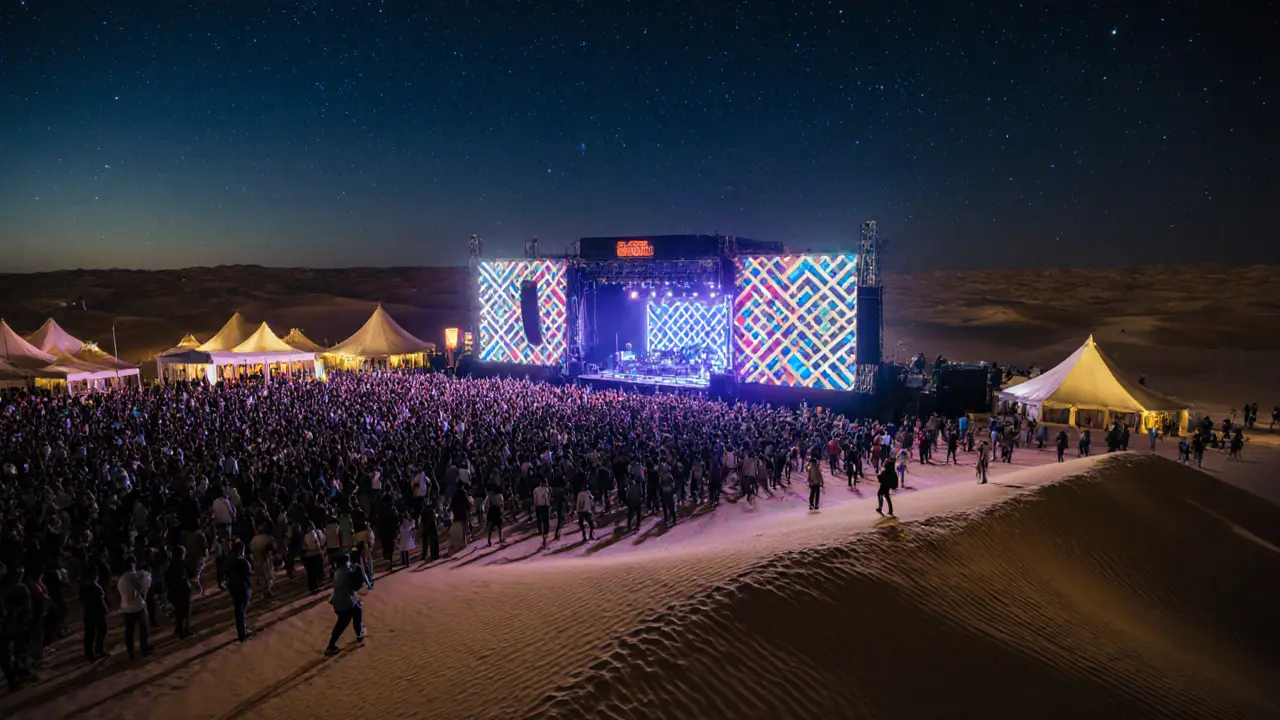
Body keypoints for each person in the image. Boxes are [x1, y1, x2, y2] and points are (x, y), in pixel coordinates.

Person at [324, 552, 367, 656]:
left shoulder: (337, 571)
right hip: (345, 602)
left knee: (346, 619)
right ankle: (359, 635)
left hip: (338, 602)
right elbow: (357, 587)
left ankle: (332, 645)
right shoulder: (348, 572)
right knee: (352, 615)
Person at [117, 555, 152, 659]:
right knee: (143, 628)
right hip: (138, 606)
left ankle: (130, 652)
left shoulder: (121, 579)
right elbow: (143, 590)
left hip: (126, 608)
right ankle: (143, 649)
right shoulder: (135, 576)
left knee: (129, 630)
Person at [226, 540, 254, 642]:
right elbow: (248, 576)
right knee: (241, 610)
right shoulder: (244, 562)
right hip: (242, 587)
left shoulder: (229, 560)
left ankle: (241, 629)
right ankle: (242, 633)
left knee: (238, 609)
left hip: (233, 587)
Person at [80, 565, 109, 662]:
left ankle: (89, 653)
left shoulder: (82, 587)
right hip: (98, 612)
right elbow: (101, 600)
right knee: (102, 630)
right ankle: (98, 649)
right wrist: (105, 610)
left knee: (89, 634)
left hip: (88, 612)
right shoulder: (96, 587)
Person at [167, 545, 193, 639]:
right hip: (183, 590)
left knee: (179, 611)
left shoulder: (171, 565)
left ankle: (179, 629)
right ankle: (184, 630)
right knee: (185, 612)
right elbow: (190, 573)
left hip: (175, 591)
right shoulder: (182, 564)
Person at [533, 478, 552, 548]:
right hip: (544, 507)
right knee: (546, 521)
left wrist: (535, 506)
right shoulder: (546, 490)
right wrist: (548, 505)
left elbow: (535, 499)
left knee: (539, 521)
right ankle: (545, 536)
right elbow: (547, 499)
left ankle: (540, 531)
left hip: (538, 507)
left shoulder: (535, 489)